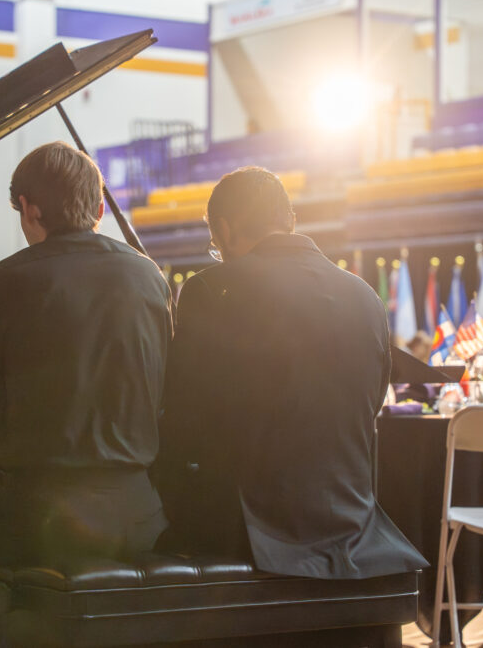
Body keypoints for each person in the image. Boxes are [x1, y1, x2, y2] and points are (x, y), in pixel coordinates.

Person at [0, 141, 172, 648]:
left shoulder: (4, 280)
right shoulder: (148, 275)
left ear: (31, 207)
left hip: (38, 518)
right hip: (139, 512)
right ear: (101, 207)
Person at [156, 166, 425, 580]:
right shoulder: (365, 296)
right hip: (353, 523)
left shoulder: (211, 289)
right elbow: (370, 406)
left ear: (225, 230)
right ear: (290, 220)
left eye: (215, 244)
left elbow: (184, 420)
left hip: (249, 528)